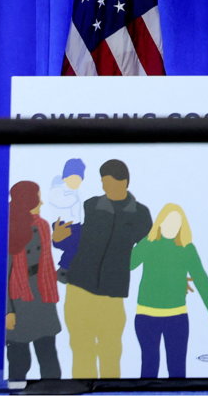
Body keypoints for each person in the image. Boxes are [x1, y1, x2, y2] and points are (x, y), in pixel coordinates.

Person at [53, 158, 152, 379]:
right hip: (79, 288)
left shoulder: (141, 214)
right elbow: (77, 237)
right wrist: (58, 239)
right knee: (81, 349)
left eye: (110, 182)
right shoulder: (90, 205)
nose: (105, 187)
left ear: (124, 181)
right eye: (103, 182)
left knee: (110, 351)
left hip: (111, 293)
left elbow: (143, 247)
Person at [131, 203, 208, 378]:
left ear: (182, 226)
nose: (172, 226)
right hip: (146, 316)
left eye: (176, 222)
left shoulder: (187, 248)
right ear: (160, 222)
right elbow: (128, 265)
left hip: (177, 317)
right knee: (149, 366)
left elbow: (200, 278)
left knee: (177, 368)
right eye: (168, 221)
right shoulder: (148, 243)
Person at [5, 181, 62, 382]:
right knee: (19, 359)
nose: (42, 202)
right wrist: (8, 311)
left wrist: (62, 274)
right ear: (28, 200)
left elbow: (45, 263)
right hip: (19, 300)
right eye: (38, 197)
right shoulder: (8, 229)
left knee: (49, 356)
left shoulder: (43, 225)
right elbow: (3, 275)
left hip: (41, 296)